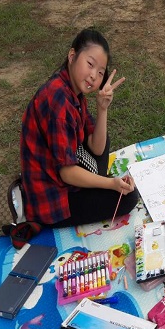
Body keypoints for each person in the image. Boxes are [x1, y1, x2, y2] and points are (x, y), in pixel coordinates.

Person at [20, 28, 138, 229]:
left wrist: (102, 109)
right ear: (72, 56)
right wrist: (110, 184)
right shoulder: (58, 100)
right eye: (90, 64)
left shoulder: (72, 92)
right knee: (129, 198)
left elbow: (97, 149)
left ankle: (94, 185)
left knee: (102, 140)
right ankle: (93, 188)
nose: (93, 76)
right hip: (50, 197)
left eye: (100, 72)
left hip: (62, 171)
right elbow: (67, 173)